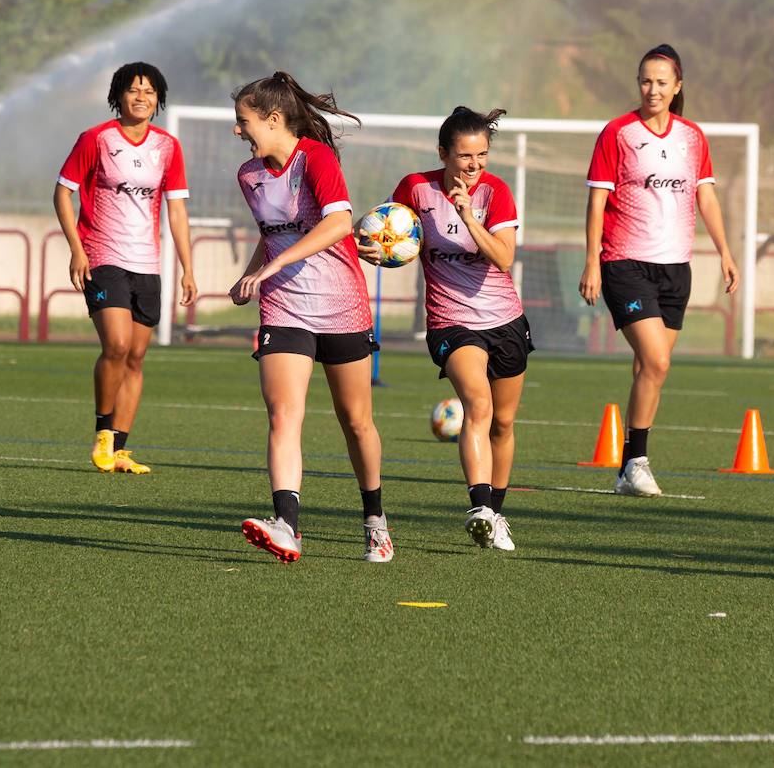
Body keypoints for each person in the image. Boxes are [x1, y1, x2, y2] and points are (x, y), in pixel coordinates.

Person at [229, 72, 390, 564]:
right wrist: (252, 273)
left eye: (244, 122)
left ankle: (375, 520)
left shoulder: (316, 159)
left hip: (341, 305)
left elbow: (340, 222)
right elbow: (270, 233)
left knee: (356, 422)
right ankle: (287, 526)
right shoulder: (248, 175)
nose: (238, 132)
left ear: (273, 119)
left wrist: (273, 263)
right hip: (284, 306)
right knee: (283, 414)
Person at [579, 43, 739, 497]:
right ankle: (637, 462)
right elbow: (596, 202)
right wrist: (592, 260)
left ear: (677, 87)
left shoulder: (692, 137)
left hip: (676, 269)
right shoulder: (618, 133)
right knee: (657, 361)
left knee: (649, 369)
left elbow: (705, 196)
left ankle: (625, 471)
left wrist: (725, 251)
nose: (652, 89)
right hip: (624, 263)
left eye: (661, 82)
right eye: (645, 81)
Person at [364, 106, 525, 551]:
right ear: (443, 153)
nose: (474, 165)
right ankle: (480, 507)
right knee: (478, 403)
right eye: (465, 156)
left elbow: (505, 258)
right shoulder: (415, 187)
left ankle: (498, 514)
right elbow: (392, 235)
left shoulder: (497, 193)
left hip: (505, 319)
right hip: (451, 321)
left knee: (504, 424)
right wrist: (377, 251)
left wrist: (470, 216)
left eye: (482, 156)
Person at [53, 61, 196, 475]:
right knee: (115, 345)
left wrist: (187, 267)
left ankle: (120, 449)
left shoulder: (168, 146)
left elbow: (178, 210)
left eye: (150, 91)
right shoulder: (95, 139)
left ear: (159, 99)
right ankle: (102, 434)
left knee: (135, 357)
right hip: (102, 256)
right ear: (118, 96)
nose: (141, 97)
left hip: (146, 263)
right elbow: (63, 193)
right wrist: (77, 250)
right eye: (133, 90)